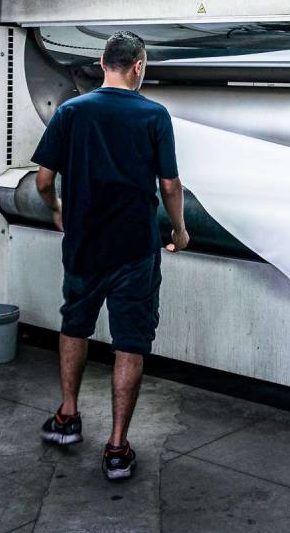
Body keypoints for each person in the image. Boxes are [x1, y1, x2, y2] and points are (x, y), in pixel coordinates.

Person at [31, 30, 189, 481]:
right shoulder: (154, 115)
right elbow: (170, 185)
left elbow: (43, 181)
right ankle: (117, 448)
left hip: (84, 244)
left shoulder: (70, 111)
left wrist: (58, 210)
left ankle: (67, 416)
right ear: (138, 66)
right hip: (135, 249)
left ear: (102, 63)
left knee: (74, 325)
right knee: (130, 342)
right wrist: (179, 228)